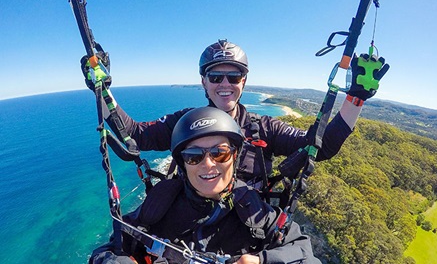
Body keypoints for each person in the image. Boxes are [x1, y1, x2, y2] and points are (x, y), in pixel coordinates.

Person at [81, 39, 389, 197]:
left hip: (248, 223)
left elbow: (318, 146)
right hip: (189, 217)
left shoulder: (263, 127)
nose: (225, 84)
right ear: (203, 82)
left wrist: (355, 98)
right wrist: (102, 92)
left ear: (244, 81)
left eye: (234, 76)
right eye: (216, 77)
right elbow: (135, 135)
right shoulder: (184, 122)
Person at [90, 107, 322, 264]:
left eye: (219, 153)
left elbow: (304, 254)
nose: (208, 164)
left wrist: (262, 260)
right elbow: (108, 250)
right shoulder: (160, 205)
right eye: (194, 156)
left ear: (235, 156)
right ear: (182, 163)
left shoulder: (256, 212)